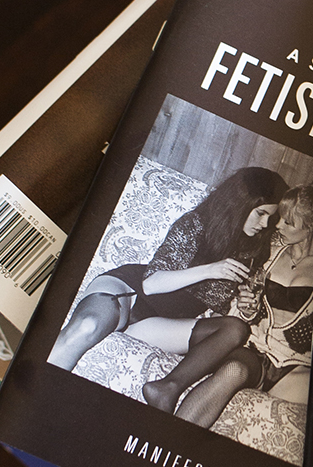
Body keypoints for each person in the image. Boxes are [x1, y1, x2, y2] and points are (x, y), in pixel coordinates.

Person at [48, 167, 286, 415]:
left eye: (270, 217)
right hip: (130, 291)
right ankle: (36, 390)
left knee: (235, 329)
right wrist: (210, 270)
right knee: (88, 326)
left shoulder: (251, 250)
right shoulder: (195, 224)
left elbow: (218, 310)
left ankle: (167, 388)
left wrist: (245, 307)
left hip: (160, 323)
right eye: (261, 213)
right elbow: (151, 285)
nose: (265, 224)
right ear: (241, 203)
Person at [174, 175, 313, 426]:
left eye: (288, 222)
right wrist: (247, 308)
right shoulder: (270, 251)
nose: (278, 226)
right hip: (253, 351)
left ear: (311, 227)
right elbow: (243, 300)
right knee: (233, 370)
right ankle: (170, 434)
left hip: (295, 365)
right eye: (280, 219)